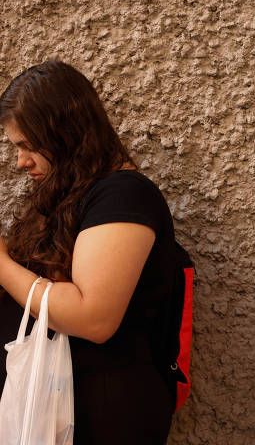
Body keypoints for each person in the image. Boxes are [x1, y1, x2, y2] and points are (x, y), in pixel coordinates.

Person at [0, 60, 177, 444]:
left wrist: (0, 263)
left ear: (65, 134)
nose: (20, 162)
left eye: (28, 146)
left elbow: (92, 317)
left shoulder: (123, 196)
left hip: (99, 417)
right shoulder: (66, 195)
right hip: (56, 411)